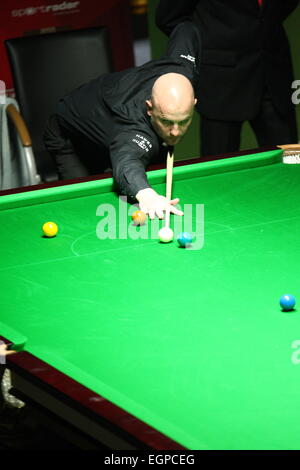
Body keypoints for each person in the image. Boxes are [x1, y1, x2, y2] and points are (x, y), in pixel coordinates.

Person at [44, 22, 201, 220]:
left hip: (107, 122)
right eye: (167, 122)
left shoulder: (183, 68)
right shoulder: (133, 128)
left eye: (184, 121)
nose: (176, 132)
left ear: (194, 103)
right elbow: (127, 162)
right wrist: (147, 195)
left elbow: (186, 29)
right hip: (69, 136)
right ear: (149, 108)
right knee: (83, 211)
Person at [155, 0, 299, 157]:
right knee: (218, 167)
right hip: (221, 80)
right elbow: (167, 17)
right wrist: (206, 43)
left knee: (289, 164)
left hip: (273, 72)